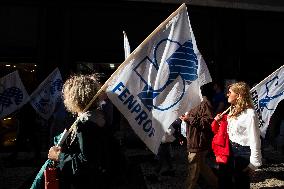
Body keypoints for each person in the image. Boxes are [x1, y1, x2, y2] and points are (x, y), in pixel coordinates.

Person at [47, 74, 108, 189]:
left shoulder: (86, 124)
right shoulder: (96, 117)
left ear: (74, 97)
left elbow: (86, 162)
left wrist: (58, 156)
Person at [214, 82, 262, 189]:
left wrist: (254, 163)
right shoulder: (232, 110)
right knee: (224, 181)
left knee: (241, 183)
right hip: (229, 149)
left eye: (230, 92)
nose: (227, 94)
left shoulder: (250, 114)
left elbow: (255, 139)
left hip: (242, 152)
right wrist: (219, 122)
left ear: (238, 95)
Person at [180, 84, 218, 189]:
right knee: (202, 167)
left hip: (198, 143)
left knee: (193, 170)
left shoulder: (204, 103)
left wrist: (189, 119)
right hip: (193, 140)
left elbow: (209, 122)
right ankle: (218, 185)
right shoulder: (192, 102)